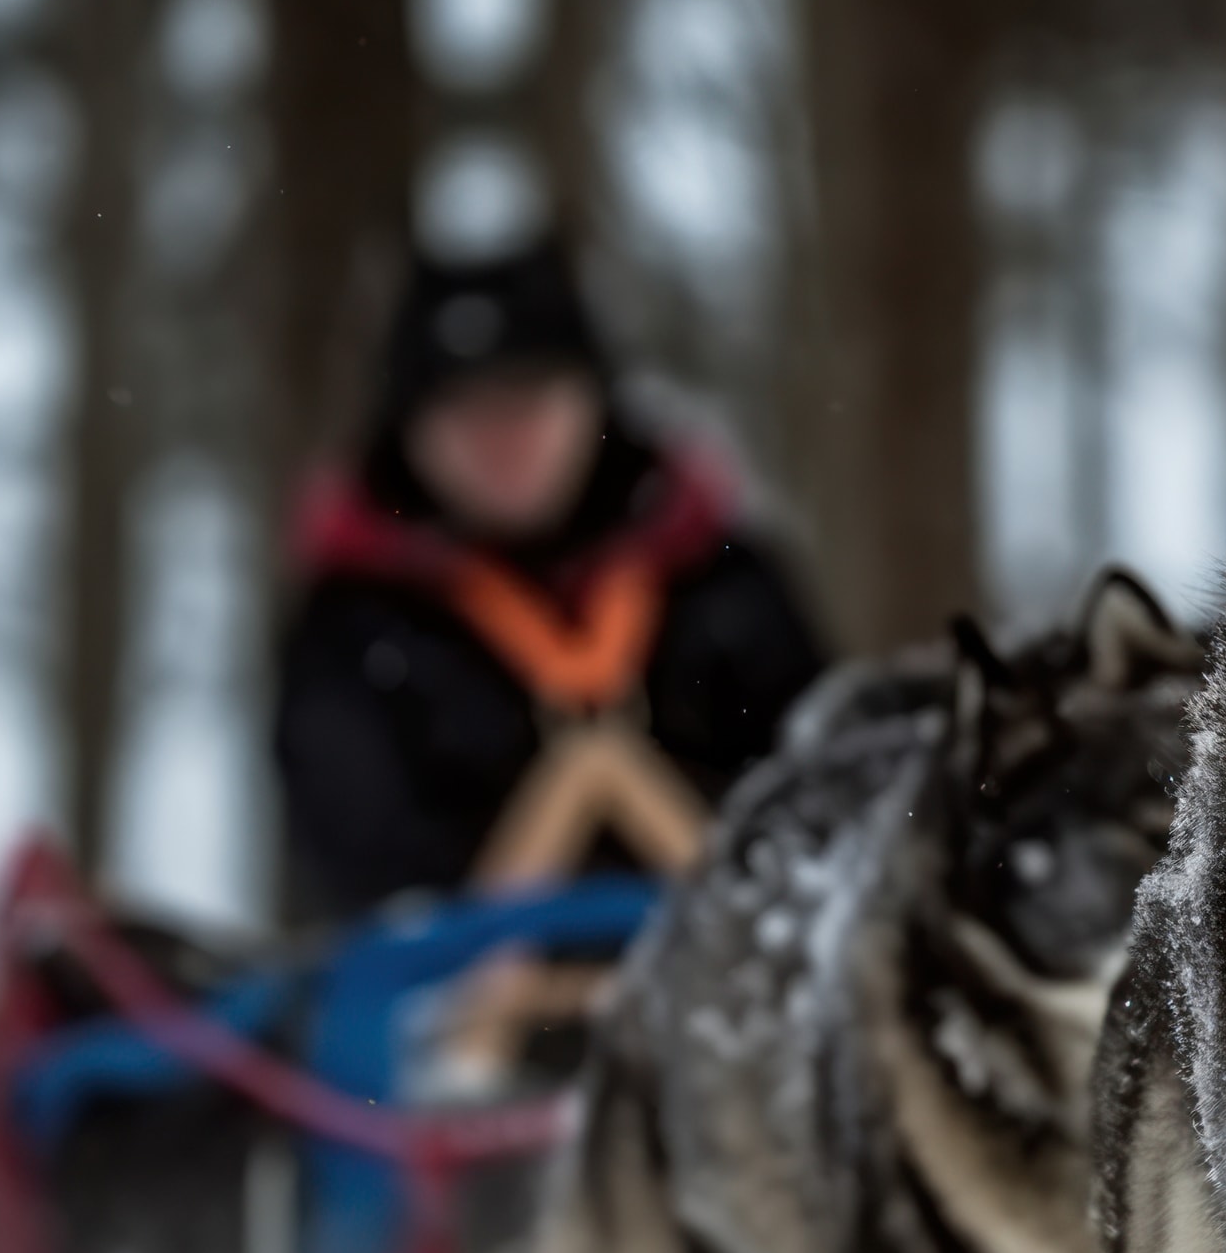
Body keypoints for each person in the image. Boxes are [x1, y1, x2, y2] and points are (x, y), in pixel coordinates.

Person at [272, 240, 824, 920]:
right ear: (409, 430)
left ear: (594, 406)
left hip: (738, 981)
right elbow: (360, 867)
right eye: (465, 410)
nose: (503, 439)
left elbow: (822, 805)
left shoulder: (724, 583)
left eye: (530, 400)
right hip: (456, 996)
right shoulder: (351, 625)